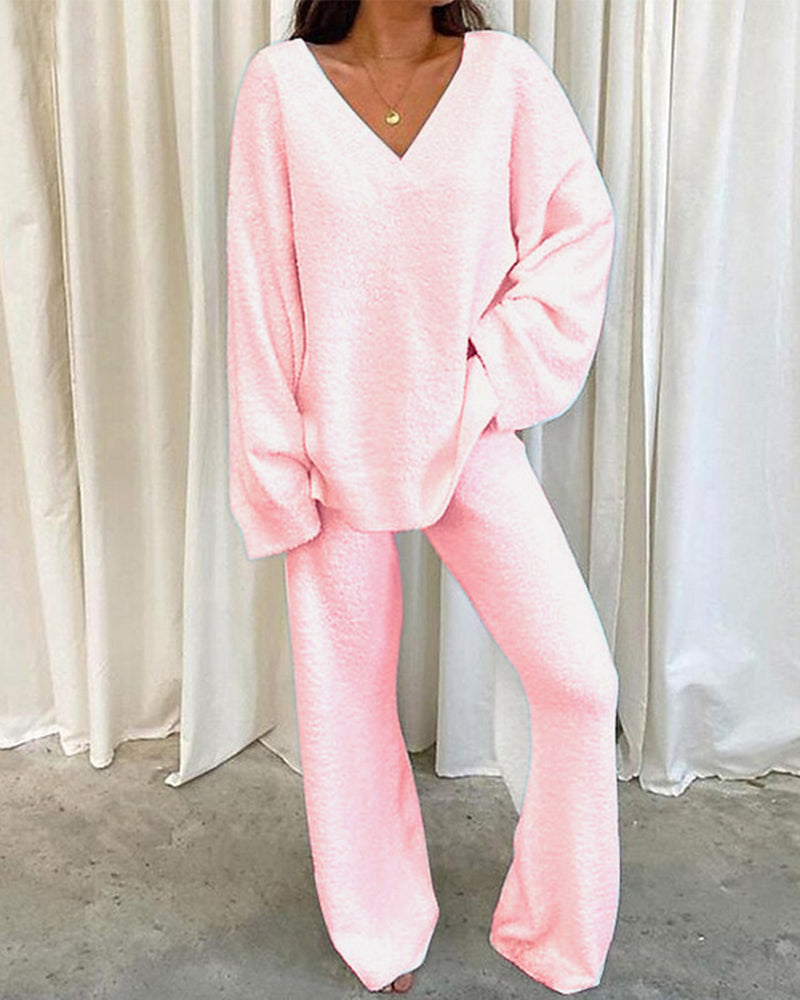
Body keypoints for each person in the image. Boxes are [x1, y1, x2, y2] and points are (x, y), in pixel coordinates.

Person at [225, 0, 619, 994]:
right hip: (331, 448)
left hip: (465, 432)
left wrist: (490, 376)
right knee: (346, 705)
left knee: (579, 682)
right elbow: (261, 293)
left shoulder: (506, 77)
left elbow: (577, 231)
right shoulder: (281, 89)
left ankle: (555, 924)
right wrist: (277, 468)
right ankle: (379, 927)